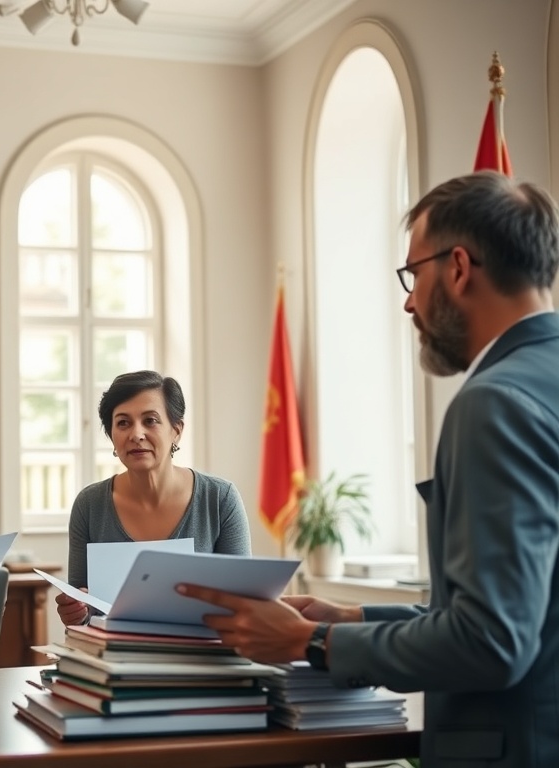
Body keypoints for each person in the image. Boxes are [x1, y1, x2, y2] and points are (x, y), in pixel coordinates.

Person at [177, 171, 559, 768]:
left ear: (458, 268)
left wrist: (310, 640)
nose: (409, 300)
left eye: (414, 274)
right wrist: (352, 615)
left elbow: (492, 640)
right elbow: (529, 608)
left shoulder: (496, 403)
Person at [56, 370, 252, 626]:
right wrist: (76, 610)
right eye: (123, 423)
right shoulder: (89, 504)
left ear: (176, 430)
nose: (136, 434)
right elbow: (81, 608)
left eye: (150, 420)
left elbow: (246, 604)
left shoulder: (220, 498)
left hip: (202, 656)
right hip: (115, 658)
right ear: (111, 435)